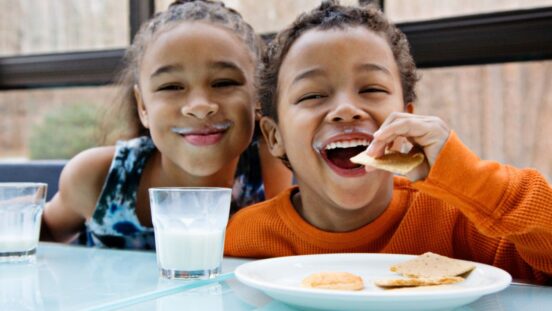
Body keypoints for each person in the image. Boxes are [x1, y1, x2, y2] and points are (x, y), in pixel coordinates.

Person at [224, 0, 552, 283]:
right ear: (275, 136)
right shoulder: (248, 236)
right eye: (313, 94)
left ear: (406, 117)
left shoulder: (457, 221)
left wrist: (469, 176)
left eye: (372, 89)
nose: (346, 110)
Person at [41, 0, 292, 249]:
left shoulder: (273, 167)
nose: (199, 105)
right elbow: (41, 234)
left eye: (224, 83)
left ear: (258, 96)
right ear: (142, 107)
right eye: (171, 86)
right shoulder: (98, 178)